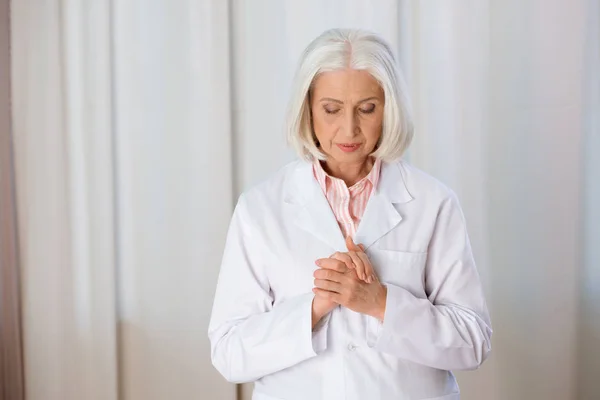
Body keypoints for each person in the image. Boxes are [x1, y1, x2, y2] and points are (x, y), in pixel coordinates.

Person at [208, 28, 492, 400]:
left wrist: (380, 303)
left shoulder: (433, 202)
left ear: (388, 107)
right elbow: (229, 354)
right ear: (307, 107)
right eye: (331, 109)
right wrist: (315, 307)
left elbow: (472, 341)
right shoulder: (260, 208)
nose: (349, 128)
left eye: (367, 108)